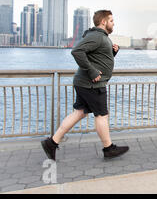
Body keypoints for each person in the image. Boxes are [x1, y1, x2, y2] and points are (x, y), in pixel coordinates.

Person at [41, 10, 129, 160]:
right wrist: (92, 72)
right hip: (92, 84)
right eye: (112, 20)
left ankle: (52, 143)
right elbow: (77, 52)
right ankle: (108, 149)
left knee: (80, 112)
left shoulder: (101, 37)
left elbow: (97, 58)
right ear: (103, 22)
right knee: (101, 116)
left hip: (85, 83)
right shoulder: (97, 36)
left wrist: (113, 52)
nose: (114, 23)